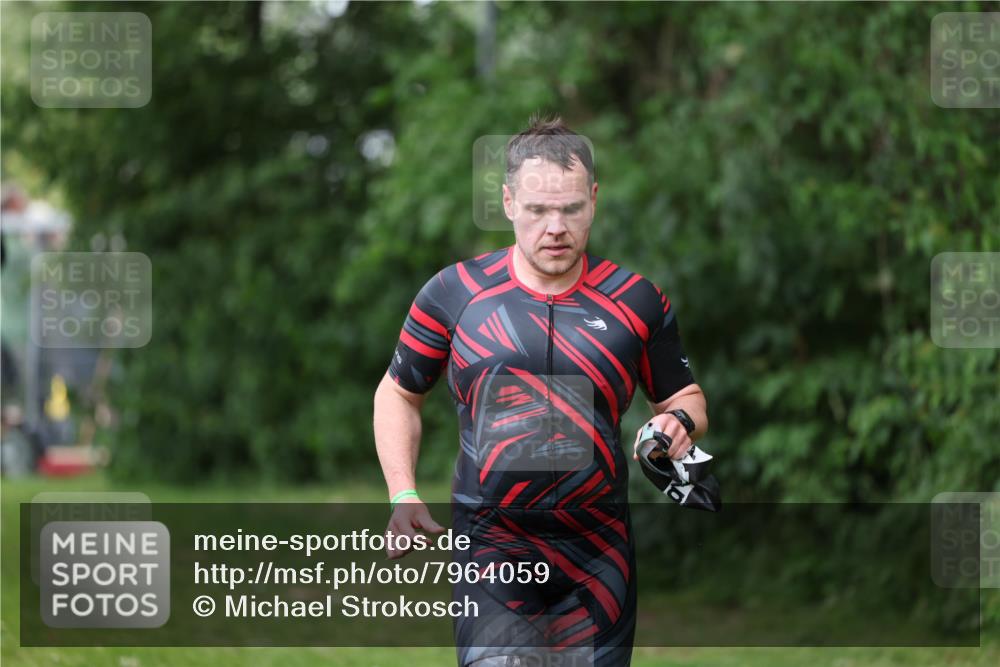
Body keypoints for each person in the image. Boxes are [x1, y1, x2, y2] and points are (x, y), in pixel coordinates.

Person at [373, 115, 708, 667]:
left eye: (571, 208)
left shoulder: (637, 301)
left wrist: (679, 426)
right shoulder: (454, 294)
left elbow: (685, 398)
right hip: (492, 540)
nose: (555, 227)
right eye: (537, 210)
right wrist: (402, 493)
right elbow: (397, 394)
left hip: (599, 549)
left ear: (594, 200)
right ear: (508, 202)